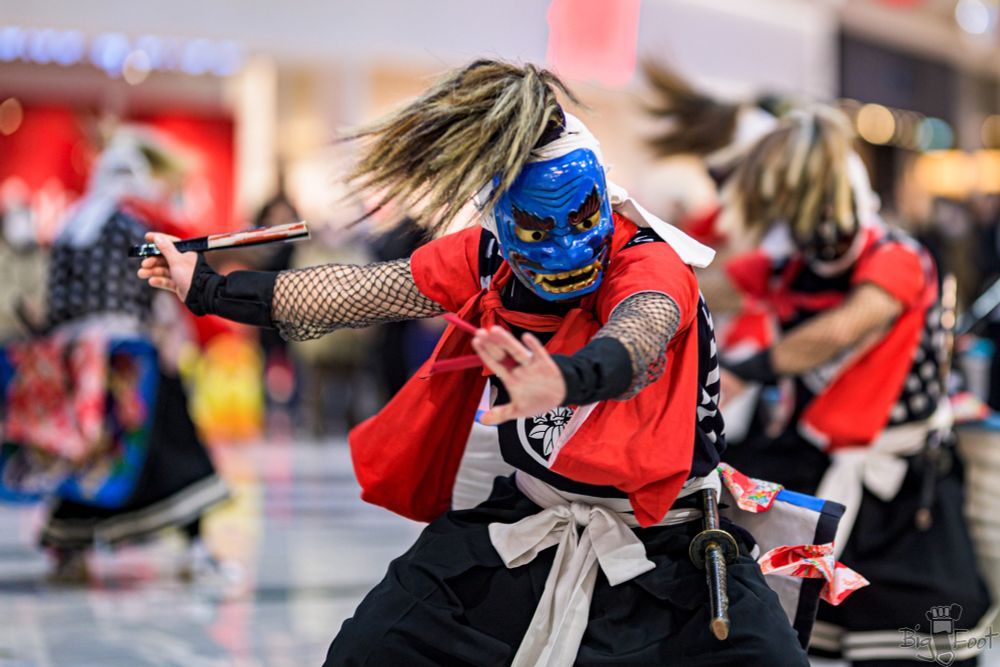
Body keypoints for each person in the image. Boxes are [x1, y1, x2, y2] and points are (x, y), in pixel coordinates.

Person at [139, 60, 835, 665]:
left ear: (602, 195)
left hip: (669, 548)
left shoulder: (649, 262)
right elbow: (359, 290)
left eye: (580, 218)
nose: (564, 247)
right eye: (536, 227)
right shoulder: (488, 256)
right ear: (502, 219)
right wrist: (208, 287)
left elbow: (640, 333)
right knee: (372, 647)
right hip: (525, 522)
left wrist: (565, 378)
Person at [717, 107, 993, 665]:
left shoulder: (899, 257)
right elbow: (710, 282)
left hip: (903, 491)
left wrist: (744, 371)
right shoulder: (790, 264)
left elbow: (840, 329)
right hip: (819, 475)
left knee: (920, 646)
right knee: (792, 638)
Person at [30, 130, 229, 583]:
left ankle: (71, 552)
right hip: (130, 360)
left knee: (87, 456)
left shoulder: (70, 224)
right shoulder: (134, 225)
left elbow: (51, 303)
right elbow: (155, 291)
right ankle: (196, 548)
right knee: (175, 448)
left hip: (76, 361)